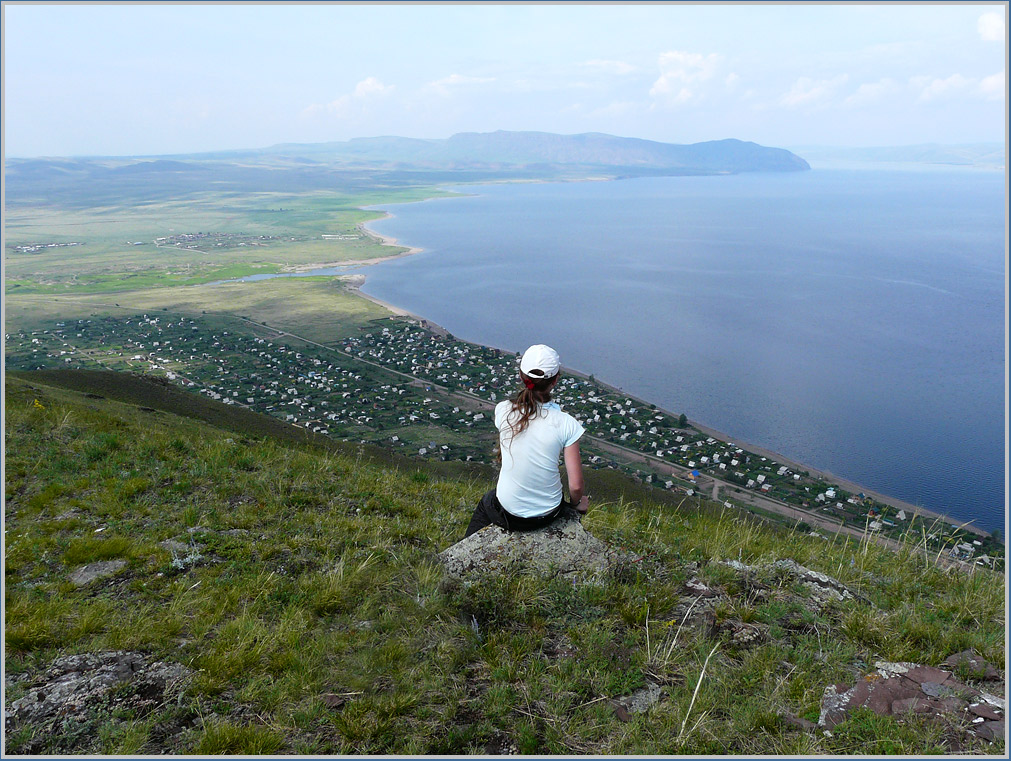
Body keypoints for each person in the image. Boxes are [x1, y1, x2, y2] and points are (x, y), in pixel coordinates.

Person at [465, 344, 589, 537]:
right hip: (548, 514)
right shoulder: (567, 424)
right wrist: (576, 505)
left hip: (507, 512)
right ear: (555, 380)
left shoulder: (504, 410)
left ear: (522, 377)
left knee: (488, 500)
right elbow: (576, 486)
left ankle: (466, 548)